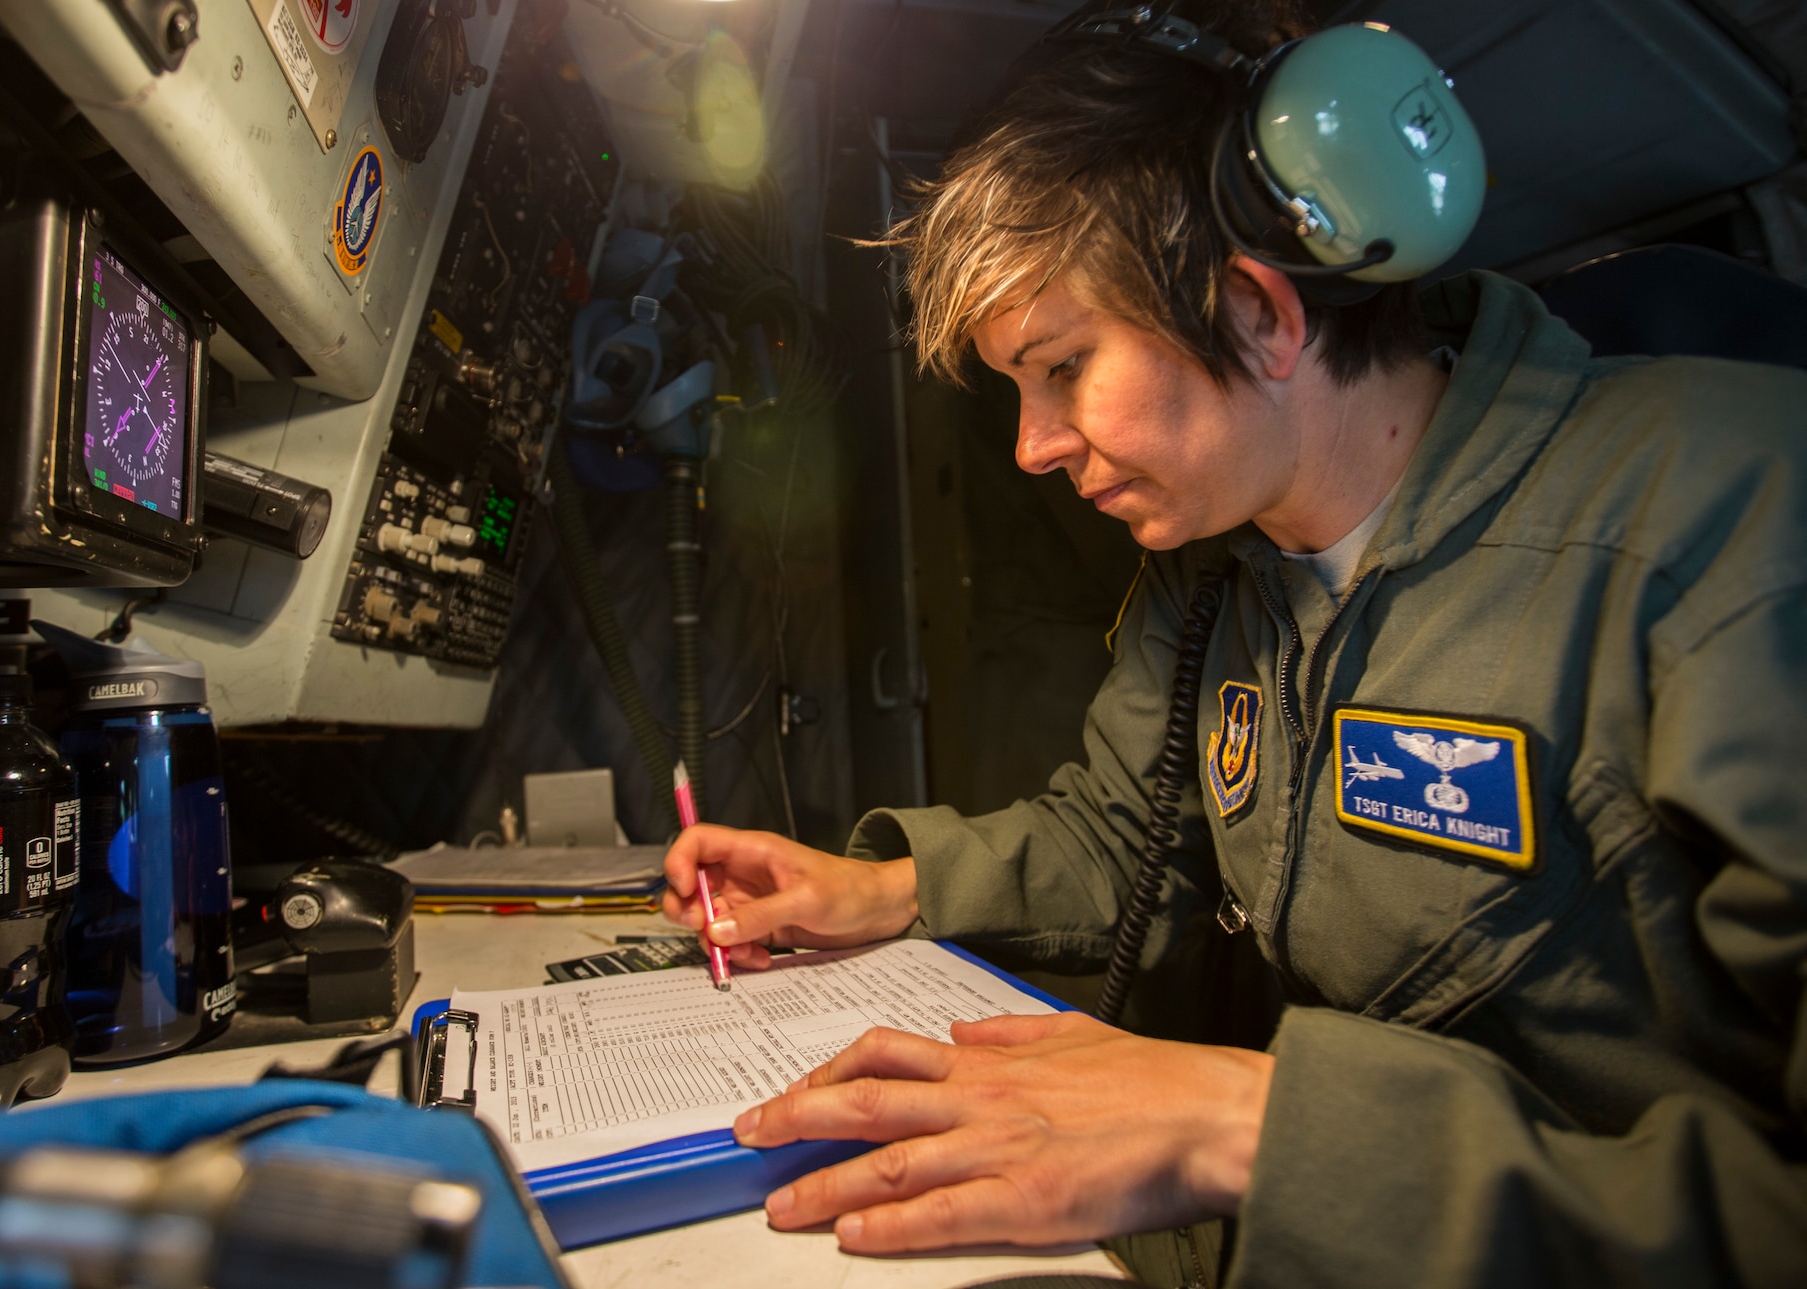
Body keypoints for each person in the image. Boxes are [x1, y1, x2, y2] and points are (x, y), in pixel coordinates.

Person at [664, 4, 1807, 1285]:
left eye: (1061, 366)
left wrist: (1248, 1124)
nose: (1032, 445)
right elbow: (1123, 831)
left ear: (1258, 313)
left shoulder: (1740, 524)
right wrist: (878, 889)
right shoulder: (1212, 575)